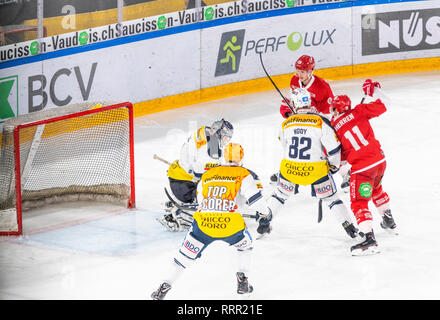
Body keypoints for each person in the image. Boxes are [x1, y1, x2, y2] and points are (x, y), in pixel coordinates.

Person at [151, 142, 265, 300]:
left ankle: (163, 287)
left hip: (203, 226)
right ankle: (243, 281)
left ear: (223, 157)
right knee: (245, 247)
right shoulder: (243, 173)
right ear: (241, 157)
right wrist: (265, 215)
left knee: (183, 258)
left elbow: (200, 201)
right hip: (230, 226)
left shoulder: (208, 174)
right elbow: (257, 202)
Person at [257, 88, 359, 240]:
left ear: (294, 103)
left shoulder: (286, 123)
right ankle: (350, 228)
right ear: (309, 102)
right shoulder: (320, 121)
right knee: (332, 199)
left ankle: (265, 221)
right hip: (316, 171)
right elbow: (334, 149)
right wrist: (333, 166)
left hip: (290, 169)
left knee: (279, 195)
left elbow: (284, 145)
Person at [329, 79, 397, 256]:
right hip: (379, 162)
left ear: (336, 110)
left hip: (362, 170)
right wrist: (375, 91)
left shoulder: (334, 128)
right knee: (376, 189)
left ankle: (369, 238)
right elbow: (386, 103)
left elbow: (338, 156)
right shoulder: (359, 110)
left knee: (359, 201)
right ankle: (388, 219)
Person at [273, 55, 351, 189]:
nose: (299, 74)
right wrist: (290, 110)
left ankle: (345, 172)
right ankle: (288, 172)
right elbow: (295, 101)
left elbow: (329, 114)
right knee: (292, 139)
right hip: (304, 119)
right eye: (298, 70)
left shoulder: (323, 87)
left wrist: (314, 114)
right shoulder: (294, 80)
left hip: (318, 121)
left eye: (302, 71)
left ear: (311, 71)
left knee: (328, 145)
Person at [158, 119, 234, 232]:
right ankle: (176, 216)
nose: (226, 140)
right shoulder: (211, 147)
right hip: (182, 185)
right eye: (225, 136)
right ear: (218, 132)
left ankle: (177, 202)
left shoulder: (206, 132)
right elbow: (201, 173)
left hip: (179, 175)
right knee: (211, 195)